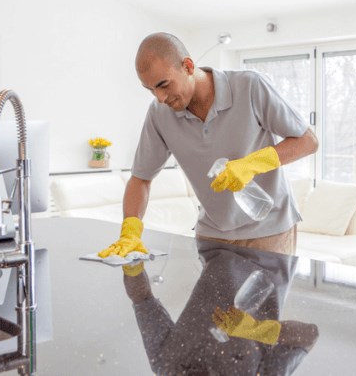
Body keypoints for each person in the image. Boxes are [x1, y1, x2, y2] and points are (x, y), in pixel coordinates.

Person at [98, 32, 318, 257]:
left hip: (269, 230)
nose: (160, 98)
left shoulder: (249, 86)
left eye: (163, 85)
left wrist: (251, 164)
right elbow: (140, 179)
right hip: (213, 234)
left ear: (188, 66)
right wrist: (130, 232)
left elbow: (308, 141)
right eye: (151, 90)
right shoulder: (159, 114)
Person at [122, 239, 319, 375]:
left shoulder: (165, 364)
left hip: (216, 242)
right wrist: (257, 330)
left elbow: (142, 298)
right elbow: (309, 335)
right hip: (272, 252)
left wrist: (131, 264)